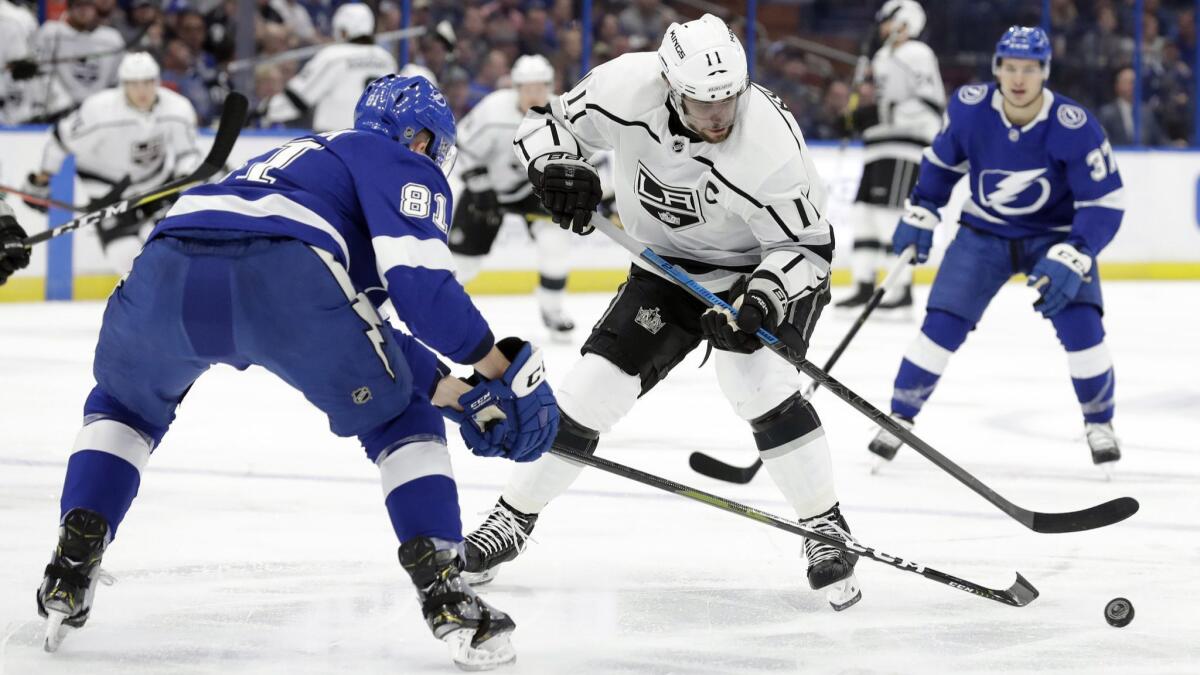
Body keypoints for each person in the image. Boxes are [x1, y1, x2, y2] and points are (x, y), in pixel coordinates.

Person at [29, 75, 559, 670]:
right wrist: (496, 369)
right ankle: (447, 594)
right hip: (284, 275)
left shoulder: (297, 160)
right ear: (418, 139)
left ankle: (71, 567)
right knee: (399, 420)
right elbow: (423, 294)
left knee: (124, 408)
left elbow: (370, 333)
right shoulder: (396, 158)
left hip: (163, 268)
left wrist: (460, 396)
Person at [461, 14, 863, 612]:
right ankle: (511, 520)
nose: (719, 116)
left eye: (729, 98)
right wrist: (554, 168)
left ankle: (825, 527)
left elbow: (806, 249)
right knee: (590, 391)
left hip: (759, 270)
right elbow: (545, 126)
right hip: (665, 267)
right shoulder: (626, 86)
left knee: (755, 384)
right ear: (672, 88)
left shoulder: (769, 143)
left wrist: (763, 298)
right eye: (703, 104)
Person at [867, 27, 1125, 471]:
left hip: (1055, 236)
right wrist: (923, 208)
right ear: (997, 70)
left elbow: (1104, 203)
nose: (1018, 79)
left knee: (1083, 328)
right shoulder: (970, 109)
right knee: (942, 324)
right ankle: (899, 417)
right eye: (1009, 68)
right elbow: (942, 164)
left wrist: (1078, 250)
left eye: (1028, 69)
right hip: (984, 233)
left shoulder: (1074, 125)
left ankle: (1100, 423)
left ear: (1044, 72)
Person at [22, 52, 202, 275]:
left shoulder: (177, 108)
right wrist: (42, 180)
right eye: (134, 84)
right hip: (108, 190)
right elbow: (60, 142)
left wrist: (184, 182)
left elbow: (187, 154)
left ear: (157, 81)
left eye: (148, 82)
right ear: (122, 84)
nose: (142, 91)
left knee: (179, 249)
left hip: (158, 184)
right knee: (125, 258)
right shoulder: (98, 111)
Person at [449, 54, 577, 340]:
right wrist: (481, 188)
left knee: (555, 241)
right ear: (515, 88)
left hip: (534, 191)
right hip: (487, 187)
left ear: (550, 86)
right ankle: (443, 310)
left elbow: (583, 158)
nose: (533, 94)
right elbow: (461, 147)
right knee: (463, 263)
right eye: (527, 87)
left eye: (539, 87)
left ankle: (552, 310)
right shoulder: (493, 110)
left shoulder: (562, 113)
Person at [836, 0, 944, 315]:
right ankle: (864, 286)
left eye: (886, 20)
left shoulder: (917, 54)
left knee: (890, 215)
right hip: (878, 146)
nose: (882, 28)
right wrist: (859, 118)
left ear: (904, 21)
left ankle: (901, 290)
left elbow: (931, 104)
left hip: (904, 147)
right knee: (864, 214)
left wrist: (880, 113)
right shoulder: (883, 57)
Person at [265, 3, 396, 132]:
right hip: (376, 139)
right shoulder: (387, 59)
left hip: (335, 140)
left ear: (344, 31)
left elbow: (299, 98)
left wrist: (266, 110)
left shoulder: (333, 56)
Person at [27, 0, 124, 121]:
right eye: (78, 5)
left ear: (96, 8)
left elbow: (116, 82)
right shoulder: (51, 33)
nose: (83, 11)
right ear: (69, 8)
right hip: (58, 112)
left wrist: (103, 105)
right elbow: (40, 74)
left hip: (100, 113)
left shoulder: (112, 39)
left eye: (88, 5)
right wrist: (61, 103)